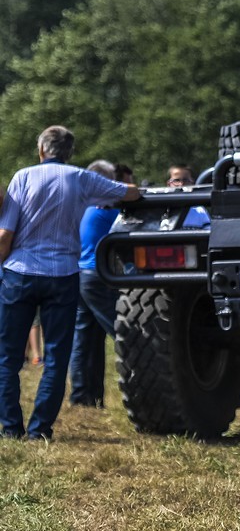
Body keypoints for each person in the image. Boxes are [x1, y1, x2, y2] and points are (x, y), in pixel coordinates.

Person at [0, 126, 140, 441]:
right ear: (70, 153)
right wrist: (140, 193)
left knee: (7, 356)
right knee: (56, 355)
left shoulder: (22, 177)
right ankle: (39, 430)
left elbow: (5, 235)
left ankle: (10, 428)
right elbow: (125, 191)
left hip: (20, 272)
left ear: (41, 150)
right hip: (63, 274)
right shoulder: (80, 178)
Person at [69, 161, 134, 407]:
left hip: (81, 275)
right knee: (123, 334)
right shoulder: (108, 212)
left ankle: (84, 396)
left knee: (86, 339)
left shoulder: (85, 208)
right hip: (98, 277)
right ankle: (142, 379)